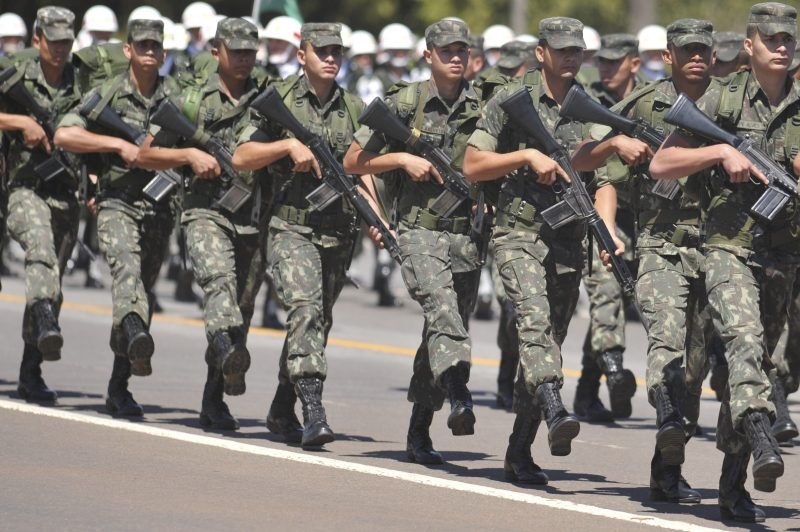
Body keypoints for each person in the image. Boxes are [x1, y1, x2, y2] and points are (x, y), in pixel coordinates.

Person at [650, 3, 796, 521]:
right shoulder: (720, 98)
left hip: (783, 254)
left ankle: (734, 489)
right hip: (728, 249)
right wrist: (719, 154)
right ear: (749, 45)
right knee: (744, 343)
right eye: (772, 39)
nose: (782, 47)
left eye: (789, 39)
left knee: (755, 358)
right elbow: (661, 162)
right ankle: (760, 432)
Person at [575, 18, 720, 504]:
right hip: (661, 245)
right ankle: (665, 415)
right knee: (667, 343)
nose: (697, 56)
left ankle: (666, 471)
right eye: (688, 50)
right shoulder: (641, 106)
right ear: (668, 57)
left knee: (696, 370)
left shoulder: (731, 106)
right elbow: (588, 164)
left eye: (704, 48)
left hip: (720, 252)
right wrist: (609, 223)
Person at [463, 17, 602, 484]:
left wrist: (607, 227)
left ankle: (520, 449)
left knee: (548, 344)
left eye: (576, 50)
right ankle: (555, 405)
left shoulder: (587, 106)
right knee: (535, 322)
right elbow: (473, 164)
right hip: (518, 233)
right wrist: (525, 156)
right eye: (561, 50)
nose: (570, 57)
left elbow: (600, 178)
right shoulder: (511, 99)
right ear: (540, 52)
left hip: (567, 242)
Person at [344, 18, 482, 464]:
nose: (456, 57)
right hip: (420, 232)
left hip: (465, 237)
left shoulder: (482, 105)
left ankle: (419, 428)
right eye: (447, 50)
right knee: (443, 310)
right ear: (428, 56)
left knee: (441, 329)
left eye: (462, 50)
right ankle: (459, 390)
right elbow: (352, 161)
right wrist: (402, 157)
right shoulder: (404, 103)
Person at [233, 23, 363, 448]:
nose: (330, 57)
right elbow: (242, 155)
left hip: (338, 232)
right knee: (304, 309)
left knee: (317, 323)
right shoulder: (278, 101)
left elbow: (365, 174)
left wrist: (380, 222)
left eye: (337, 51)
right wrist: (285, 148)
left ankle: (280, 405)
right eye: (321, 50)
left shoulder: (355, 108)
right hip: (290, 227)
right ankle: (313, 408)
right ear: (301, 54)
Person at [138, 17, 267, 431]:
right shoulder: (193, 98)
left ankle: (214, 398)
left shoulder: (267, 95)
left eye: (251, 51)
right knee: (218, 284)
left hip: (252, 217)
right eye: (237, 51)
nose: (245, 59)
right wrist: (189, 156)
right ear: (216, 51)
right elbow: (146, 153)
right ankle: (226, 348)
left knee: (241, 309)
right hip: (204, 210)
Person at [55, 18, 179, 417]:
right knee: (126, 275)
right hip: (116, 203)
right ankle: (135, 340)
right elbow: (65, 135)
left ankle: (118, 384)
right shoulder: (107, 94)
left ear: (163, 53)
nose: (149, 52)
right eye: (141, 45)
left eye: (155, 46)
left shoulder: (177, 98)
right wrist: (118, 144)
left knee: (141, 292)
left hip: (159, 208)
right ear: (127, 50)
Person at [0, 6, 82, 403]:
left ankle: (30, 372)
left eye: (67, 41)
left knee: (53, 283)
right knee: (40, 251)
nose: (61, 48)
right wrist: (22, 123)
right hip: (24, 187)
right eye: (54, 41)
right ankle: (45, 315)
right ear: (37, 40)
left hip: (66, 192)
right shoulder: (16, 71)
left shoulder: (80, 77)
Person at [573, 32, 644, 424]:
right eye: (601, 61)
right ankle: (615, 371)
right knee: (606, 293)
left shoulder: (653, 100)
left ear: (634, 63)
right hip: (593, 211)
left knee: (615, 302)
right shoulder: (584, 100)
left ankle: (586, 391)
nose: (606, 68)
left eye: (615, 62)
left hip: (642, 218)